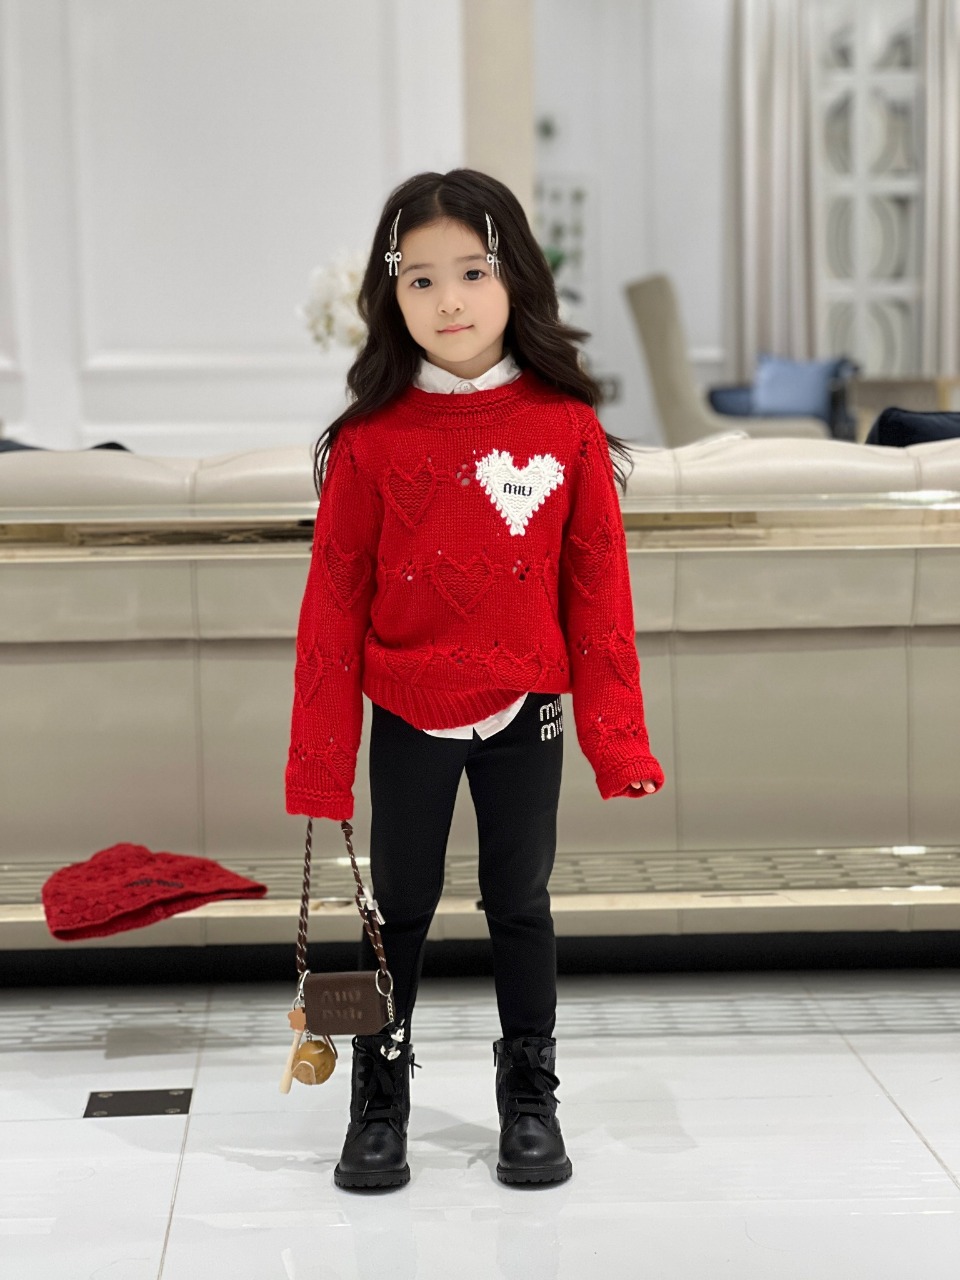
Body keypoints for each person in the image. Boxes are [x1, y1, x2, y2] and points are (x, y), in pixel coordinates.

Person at [285, 168, 664, 1192]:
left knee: (520, 902)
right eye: (420, 280)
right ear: (390, 294)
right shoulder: (368, 441)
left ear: (514, 279)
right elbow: (331, 612)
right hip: (407, 711)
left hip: (526, 708)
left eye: (471, 273)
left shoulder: (564, 427)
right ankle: (380, 1096)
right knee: (397, 908)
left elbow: (598, 595)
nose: (447, 301)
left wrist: (618, 740)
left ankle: (529, 1094)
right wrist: (321, 760)